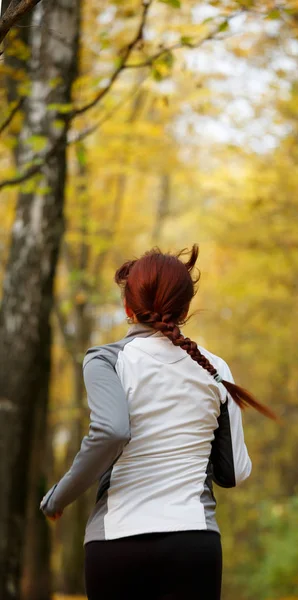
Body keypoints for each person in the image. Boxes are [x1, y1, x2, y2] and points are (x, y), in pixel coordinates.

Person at [40, 244, 276, 600]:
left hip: (117, 543)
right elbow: (234, 473)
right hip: (194, 543)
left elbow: (111, 431)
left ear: (127, 308)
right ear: (184, 309)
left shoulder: (106, 361)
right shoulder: (215, 370)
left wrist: (58, 498)